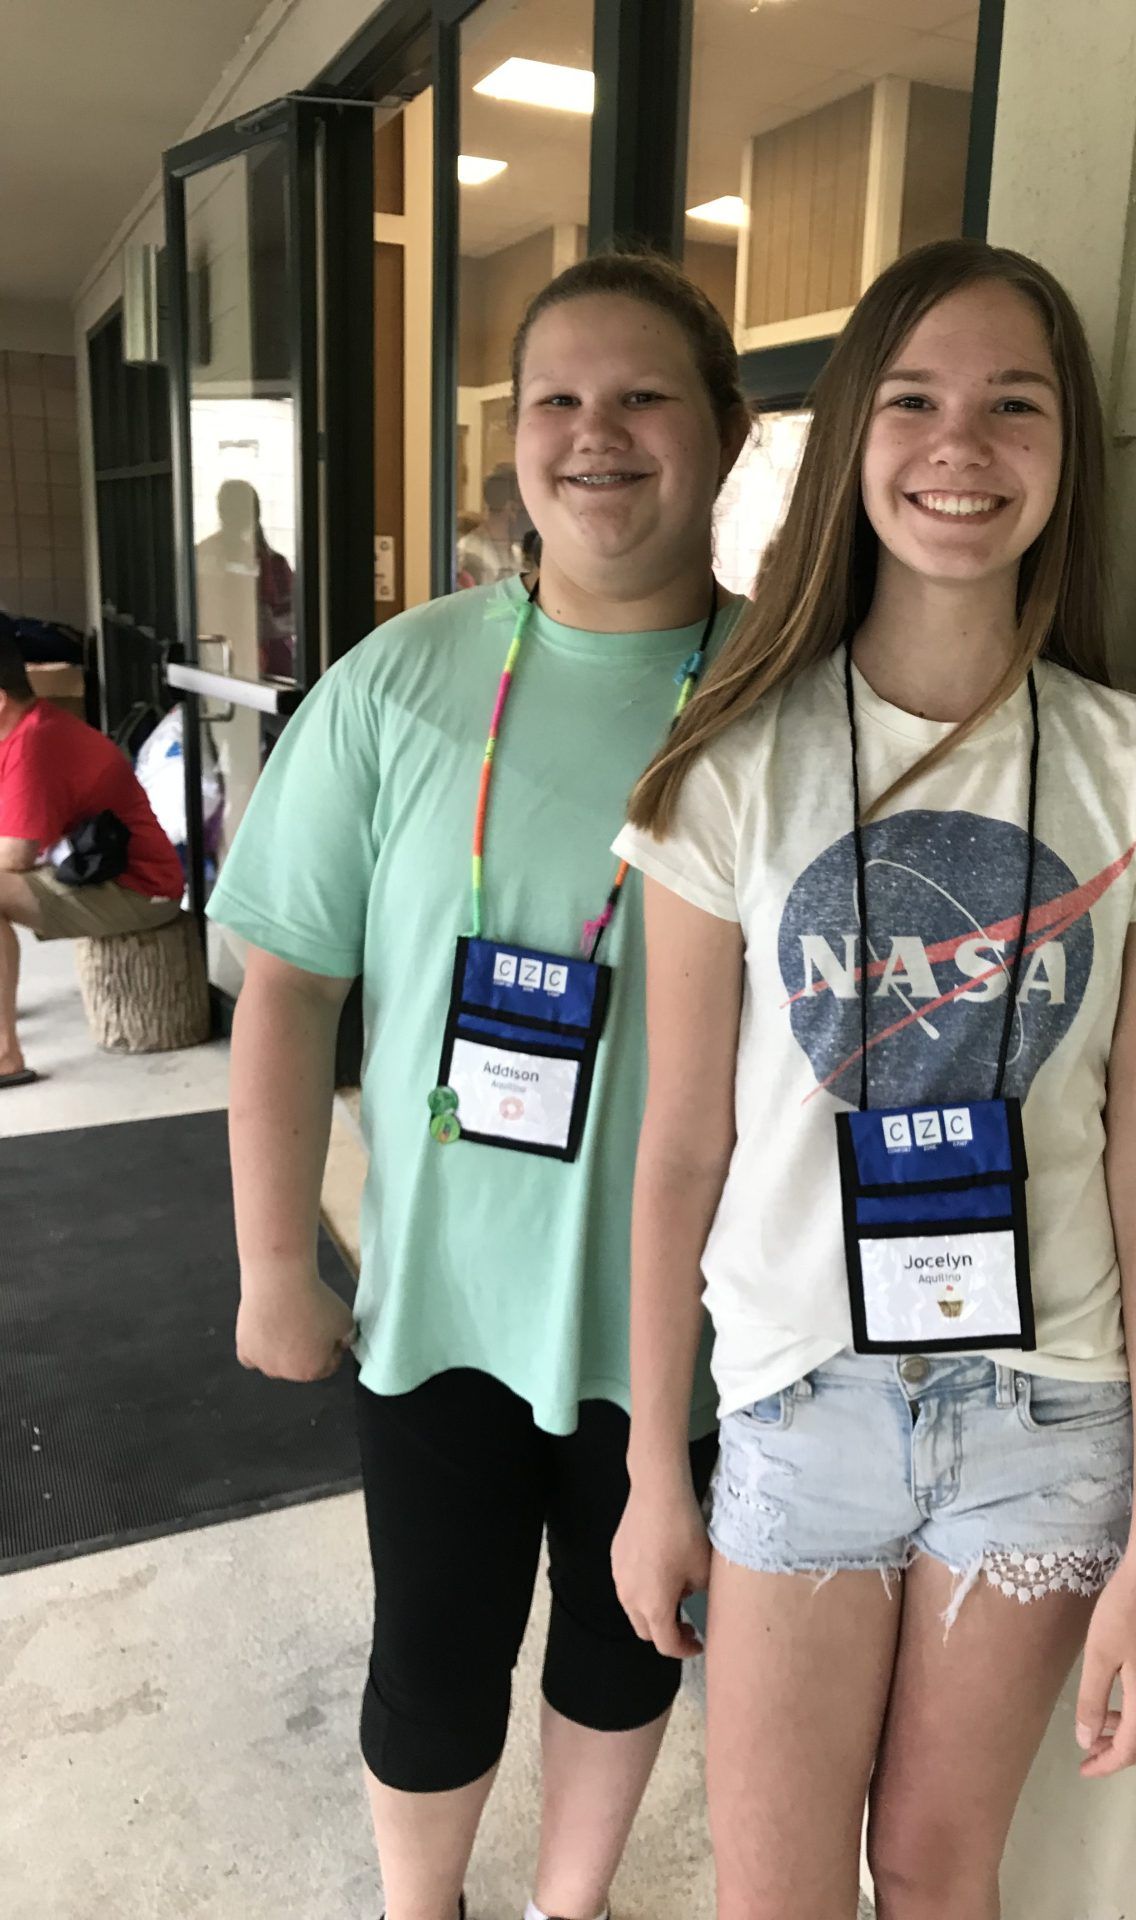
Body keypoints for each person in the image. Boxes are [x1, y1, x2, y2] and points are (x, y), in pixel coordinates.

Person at [611, 238, 1136, 1920]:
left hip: (1049, 1419)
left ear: (1067, 449)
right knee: (774, 1893)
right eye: (912, 400)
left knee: (933, 1870)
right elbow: (678, 1149)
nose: (960, 445)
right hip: (799, 1399)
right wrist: (652, 1473)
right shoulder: (729, 773)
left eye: (1013, 405)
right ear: (851, 436)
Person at [208, 251, 750, 1920]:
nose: (598, 433)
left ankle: (566, 1904)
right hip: (440, 1304)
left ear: (728, 433)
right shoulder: (402, 680)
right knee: (435, 1652)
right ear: (512, 442)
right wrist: (276, 1262)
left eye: (644, 395)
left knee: (629, 1638)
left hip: (690, 1322)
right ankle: (419, 1904)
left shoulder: (786, 690)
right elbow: (289, 986)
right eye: (557, 400)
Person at [0, 630, 183, 1088]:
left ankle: (4, 1054)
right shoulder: (22, 731)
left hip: (140, 890)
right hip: (91, 873)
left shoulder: (35, 742)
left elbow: (14, 856)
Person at [195, 479, 296, 680]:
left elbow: (291, 618)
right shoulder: (203, 555)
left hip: (265, 665)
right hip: (221, 658)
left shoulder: (273, 563)